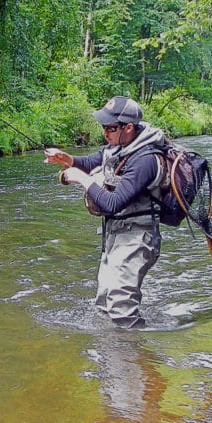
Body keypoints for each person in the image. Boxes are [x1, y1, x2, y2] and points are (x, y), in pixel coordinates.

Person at [44, 96, 166, 329]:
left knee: (121, 307)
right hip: (115, 234)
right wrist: (66, 159)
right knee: (103, 302)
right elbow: (91, 161)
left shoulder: (146, 159)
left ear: (128, 127)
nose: (104, 133)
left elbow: (113, 203)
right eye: (103, 127)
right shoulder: (118, 147)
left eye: (110, 128)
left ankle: (136, 360)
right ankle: (111, 358)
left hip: (137, 237)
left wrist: (83, 180)